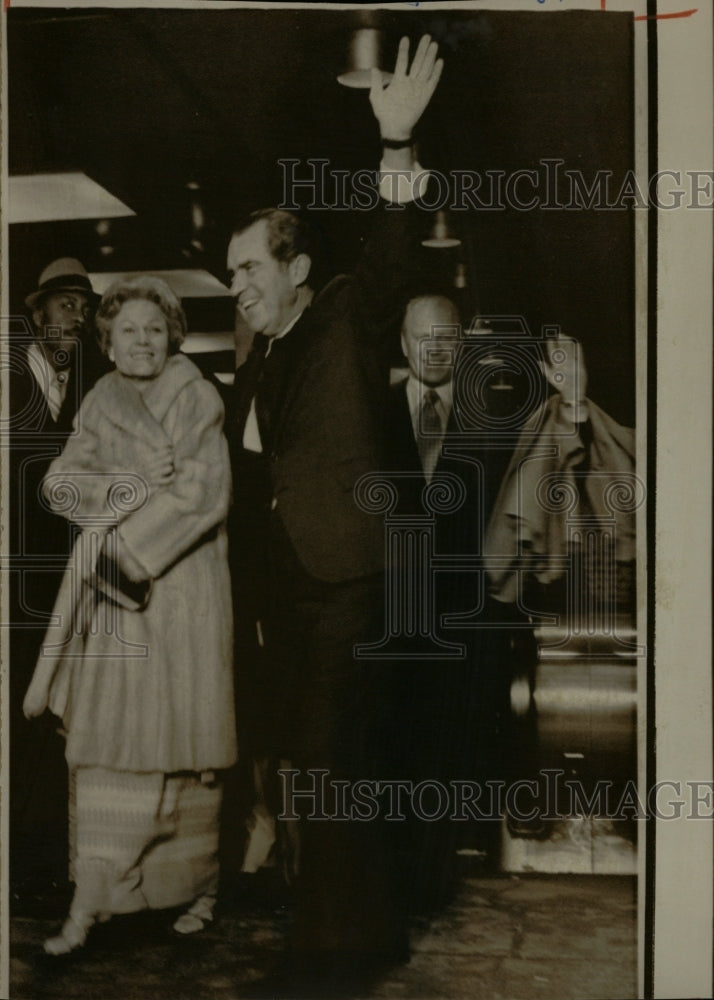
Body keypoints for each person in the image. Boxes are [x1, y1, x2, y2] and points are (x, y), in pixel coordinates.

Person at [224, 35, 443, 983]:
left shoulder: (347, 309)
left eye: (246, 271)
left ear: (297, 268)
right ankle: (367, 936)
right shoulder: (261, 361)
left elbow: (392, 251)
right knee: (321, 770)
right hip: (299, 595)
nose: (237, 288)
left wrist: (395, 146)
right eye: (232, 276)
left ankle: (330, 960)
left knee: (333, 767)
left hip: (357, 580)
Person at [23, 276, 236, 955]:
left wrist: (123, 554)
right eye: (126, 331)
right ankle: (91, 900)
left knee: (184, 757)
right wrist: (137, 481)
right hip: (114, 612)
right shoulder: (100, 398)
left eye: (154, 329)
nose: (141, 341)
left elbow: (206, 496)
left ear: (173, 336)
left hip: (181, 599)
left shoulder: (197, 396)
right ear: (106, 341)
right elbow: (59, 483)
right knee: (108, 750)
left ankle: (198, 887)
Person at [8, 257, 107, 902]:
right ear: (36, 312)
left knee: (56, 718)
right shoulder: (9, 377)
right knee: (16, 715)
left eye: (83, 307)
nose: (75, 317)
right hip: (12, 580)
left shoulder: (91, 386)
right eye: (65, 304)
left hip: (65, 581)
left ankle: (44, 868)